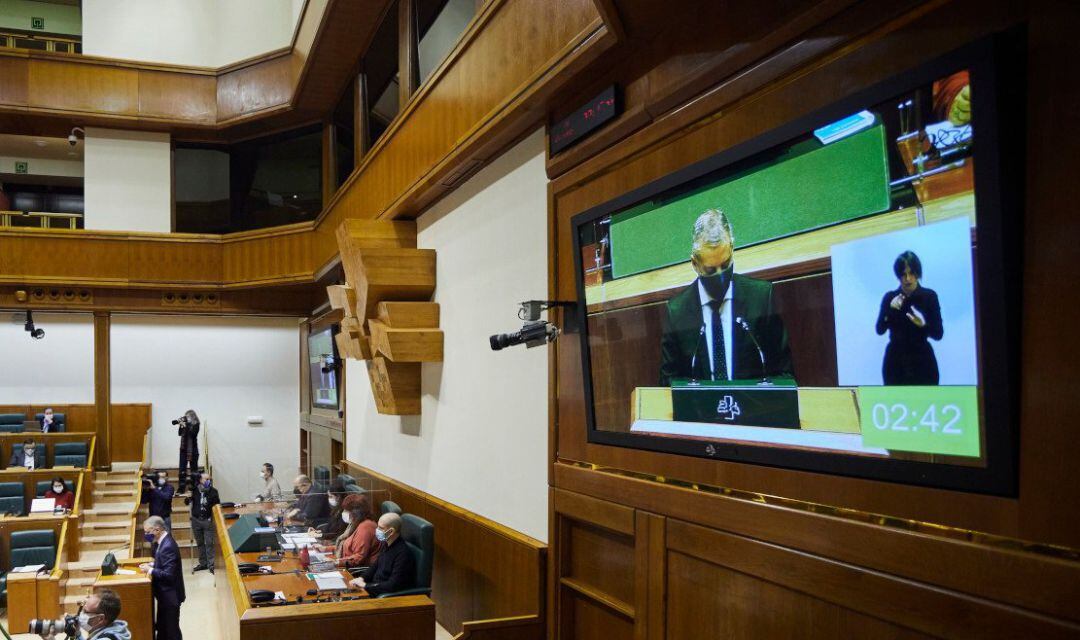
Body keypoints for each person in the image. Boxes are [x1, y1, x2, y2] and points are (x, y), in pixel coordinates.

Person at [659, 209, 793, 385]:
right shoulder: (677, 311)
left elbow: (784, 375)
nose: (720, 276)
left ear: (732, 250)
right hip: (701, 411)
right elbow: (669, 383)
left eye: (725, 265)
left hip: (753, 408)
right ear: (695, 264)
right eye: (710, 270)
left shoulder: (760, 298)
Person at [875, 250, 944, 385]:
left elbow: (938, 334)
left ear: (918, 273)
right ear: (898, 275)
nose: (907, 279)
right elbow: (879, 329)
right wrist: (890, 310)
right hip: (895, 361)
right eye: (903, 274)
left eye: (912, 273)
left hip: (922, 360)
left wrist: (923, 324)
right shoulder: (890, 297)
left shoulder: (929, 296)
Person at [139, 516, 185, 640]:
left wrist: (151, 570)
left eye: (148, 532)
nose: (146, 535)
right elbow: (166, 564)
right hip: (165, 596)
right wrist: (153, 564)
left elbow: (169, 575)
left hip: (170, 596)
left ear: (157, 530)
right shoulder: (163, 541)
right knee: (163, 629)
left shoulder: (168, 545)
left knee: (172, 632)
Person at [348, 512, 414, 597]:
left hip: (384, 596)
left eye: (380, 528)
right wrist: (361, 578)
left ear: (391, 531)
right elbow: (375, 566)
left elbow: (392, 585)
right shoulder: (386, 544)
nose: (377, 530)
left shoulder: (403, 554)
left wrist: (365, 586)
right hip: (374, 588)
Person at [329, 493, 380, 569]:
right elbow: (346, 546)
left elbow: (358, 558)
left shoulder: (366, 527)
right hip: (346, 564)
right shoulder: (355, 524)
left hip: (357, 571)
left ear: (356, 512)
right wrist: (325, 549)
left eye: (346, 510)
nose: (344, 513)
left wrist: (337, 562)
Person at [184, 471, 219, 573]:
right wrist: (188, 496)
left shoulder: (213, 491)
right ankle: (203, 563)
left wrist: (209, 494)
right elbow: (187, 502)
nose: (208, 481)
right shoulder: (194, 490)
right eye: (206, 479)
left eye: (210, 479)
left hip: (207, 520)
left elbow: (217, 505)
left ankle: (211, 564)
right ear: (200, 480)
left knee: (209, 543)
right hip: (196, 520)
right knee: (200, 543)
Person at [177, 410, 200, 493]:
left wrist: (186, 426)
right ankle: (181, 487)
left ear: (192, 416)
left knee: (194, 469)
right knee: (182, 469)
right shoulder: (185, 424)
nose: (186, 418)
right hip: (183, 449)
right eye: (185, 416)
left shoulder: (196, 424)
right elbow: (179, 433)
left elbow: (193, 434)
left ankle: (194, 487)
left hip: (193, 450)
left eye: (187, 416)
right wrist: (181, 426)